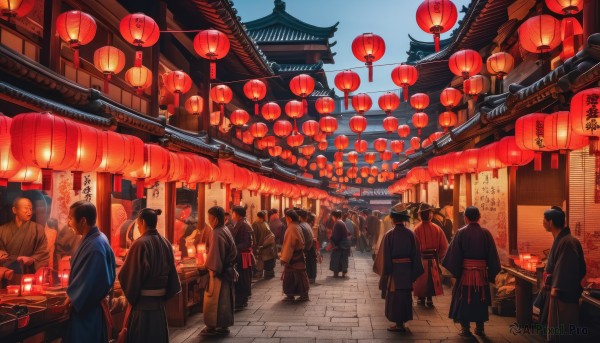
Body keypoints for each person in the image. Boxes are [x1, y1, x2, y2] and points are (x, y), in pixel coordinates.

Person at [118, 208, 181, 343]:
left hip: (143, 306)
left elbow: (129, 275)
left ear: (144, 222)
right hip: (159, 305)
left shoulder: (140, 244)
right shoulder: (166, 242)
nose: (139, 227)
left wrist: (130, 295)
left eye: (139, 224)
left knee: (142, 336)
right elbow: (172, 277)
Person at [442, 206, 501, 337]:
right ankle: (480, 328)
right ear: (479, 217)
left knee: (464, 299)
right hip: (481, 273)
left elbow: (454, 255)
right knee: (481, 299)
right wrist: (491, 273)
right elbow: (493, 256)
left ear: (465, 218)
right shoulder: (486, 233)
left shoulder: (461, 232)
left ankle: (465, 328)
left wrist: (456, 272)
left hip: (465, 273)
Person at [63, 201, 116, 343]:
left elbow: (88, 281)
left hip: (88, 312)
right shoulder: (96, 238)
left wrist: (73, 297)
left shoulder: (95, 246)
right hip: (88, 308)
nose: (69, 223)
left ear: (83, 221)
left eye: (70, 219)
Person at [535, 207, 586, 342]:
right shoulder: (562, 239)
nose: (543, 222)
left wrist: (556, 288)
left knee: (563, 328)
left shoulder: (567, 242)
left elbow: (565, 267)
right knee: (557, 328)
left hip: (562, 293)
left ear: (550, 222)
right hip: (558, 289)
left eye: (544, 219)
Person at [376, 205, 424, 333]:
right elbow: (416, 255)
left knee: (395, 298)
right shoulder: (411, 234)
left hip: (394, 272)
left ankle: (398, 324)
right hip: (407, 270)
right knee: (405, 297)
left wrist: (386, 273)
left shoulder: (389, 235)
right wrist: (413, 272)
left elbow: (384, 256)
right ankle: (402, 323)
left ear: (392, 220)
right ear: (404, 220)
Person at [201, 206, 238, 336]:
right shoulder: (224, 229)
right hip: (227, 269)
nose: (208, 220)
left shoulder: (217, 233)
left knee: (215, 301)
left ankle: (214, 326)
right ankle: (223, 325)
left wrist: (210, 268)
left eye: (209, 217)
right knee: (224, 300)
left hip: (219, 272)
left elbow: (215, 256)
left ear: (215, 219)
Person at [0, 197, 49, 274]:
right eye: (26, 208)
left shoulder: (38, 229)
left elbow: (42, 252)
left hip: (29, 272)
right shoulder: (2, 230)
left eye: (31, 209)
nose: (29, 212)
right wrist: (3, 255)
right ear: (14, 210)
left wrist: (32, 259)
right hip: (7, 273)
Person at [412, 204, 448, 307]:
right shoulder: (437, 228)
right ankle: (429, 298)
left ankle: (421, 297)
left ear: (420, 216)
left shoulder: (416, 229)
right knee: (432, 279)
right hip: (432, 259)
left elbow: (413, 246)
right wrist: (440, 257)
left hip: (421, 258)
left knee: (420, 279)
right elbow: (443, 246)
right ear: (430, 215)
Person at [280, 210, 310, 301]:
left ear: (289, 218)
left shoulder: (291, 228)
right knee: (299, 275)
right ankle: (301, 294)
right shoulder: (296, 226)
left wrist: (284, 258)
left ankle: (293, 294)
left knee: (293, 275)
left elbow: (289, 245)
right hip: (298, 254)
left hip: (294, 256)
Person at [230, 206, 254, 310]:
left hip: (242, 255)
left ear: (237, 214)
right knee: (244, 277)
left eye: (233, 213)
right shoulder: (244, 223)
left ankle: (241, 300)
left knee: (241, 278)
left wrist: (234, 248)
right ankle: (242, 299)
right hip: (243, 254)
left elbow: (246, 242)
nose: (232, 216)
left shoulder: (243, 225)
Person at [252, 211, 276, 279]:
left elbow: (255, 236)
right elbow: (255, 236)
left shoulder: (261, 223)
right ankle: (262, 274)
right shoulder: (260, 224)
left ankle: (263, 274)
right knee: (262, 261)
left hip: (264, 246)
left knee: (263, 261)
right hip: (264, 246)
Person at [297, 209, 317, 284]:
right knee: (311, 265)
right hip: (310, 248)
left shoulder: (301, 226)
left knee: (309, 265)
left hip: (308, 249)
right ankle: (312, 278)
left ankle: (310, 278)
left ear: (299, 217)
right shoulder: (306, 225)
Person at [329, 210, 351, 278]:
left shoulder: (337, 223)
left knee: (336, 259)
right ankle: (343, 273)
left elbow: (336, 236)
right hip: (345, 243)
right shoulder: (342, 222)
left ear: (334, 216)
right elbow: (348, 233)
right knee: (343, 259)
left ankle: (336, 273)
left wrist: (332, 241)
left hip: (340, 244)